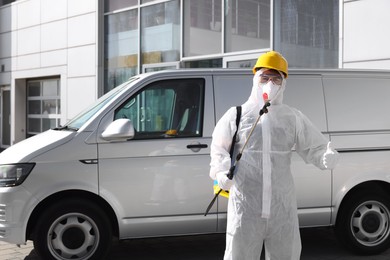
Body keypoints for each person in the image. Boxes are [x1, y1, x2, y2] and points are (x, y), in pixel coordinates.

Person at [209, 51, 339, 260]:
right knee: (239, 256)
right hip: (245, 205)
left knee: (285, 255)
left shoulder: (292, 117)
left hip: (282, 207)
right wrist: (222, 172)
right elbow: (219, 149)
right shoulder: (237, 115)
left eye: (276, 78)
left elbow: (315, 146)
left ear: (283, 83)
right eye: (265, 77)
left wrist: (326, 157)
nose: (270, 83)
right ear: (255, 79)